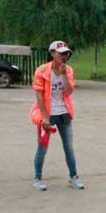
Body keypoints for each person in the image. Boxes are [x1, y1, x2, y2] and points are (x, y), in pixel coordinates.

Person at [30, 40, 84, 191]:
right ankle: (37, 178)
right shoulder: (41, 71)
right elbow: (39, 96)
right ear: (52, 53)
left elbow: (69, 91)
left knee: (69, 147)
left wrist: (64, 74)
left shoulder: (68, 70)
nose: (64, 56)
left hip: (64, 113)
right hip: (47, 114)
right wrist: (45, 117)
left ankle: (73, 177)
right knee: (42, 147)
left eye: (66, 53)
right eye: (61, 53)